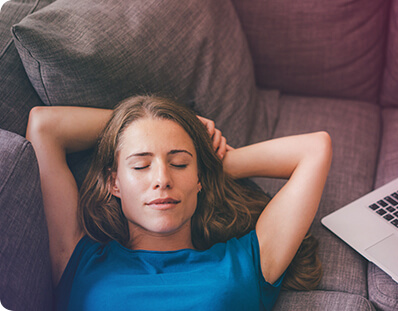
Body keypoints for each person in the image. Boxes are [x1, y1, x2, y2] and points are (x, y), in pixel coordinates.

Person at [26, 95, 332, 310]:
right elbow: (44, 126)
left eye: (180, 164)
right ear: (114, 182)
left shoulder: (243, 264)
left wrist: (214, 164)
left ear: (199, 180)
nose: (162, 179)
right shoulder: (78, 260)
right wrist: (140, 122)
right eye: (141, 165)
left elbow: (315, 148)